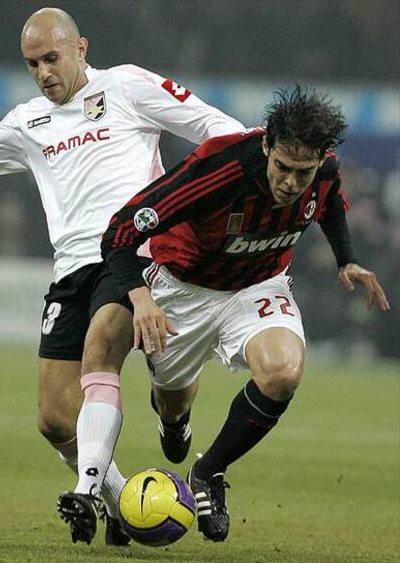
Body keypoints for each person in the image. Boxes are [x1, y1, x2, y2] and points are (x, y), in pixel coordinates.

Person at [0, 7, 245, 546]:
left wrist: (234, 180)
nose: (43, 73)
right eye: (32, 64)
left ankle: (169, 422)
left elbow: (214, 127)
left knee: (160, 388)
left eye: (52, 58)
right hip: (70, 273)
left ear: (81, 48)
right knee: (55, 421)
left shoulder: (126, 86)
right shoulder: (27, 123)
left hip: (138, 257)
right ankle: (122, 501)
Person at [100, 85, 390, 542]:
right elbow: (120, 230)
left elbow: (330, 204)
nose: (292, 183)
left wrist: (346, 258)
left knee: (283, 373)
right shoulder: (218, 168)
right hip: (183, 290)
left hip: (257, 284)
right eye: (284, 168)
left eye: (304, 172)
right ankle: (173, 419)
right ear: (266, 145)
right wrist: (140, 297)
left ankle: (209, 473)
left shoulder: (325, 171)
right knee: (173, 399)